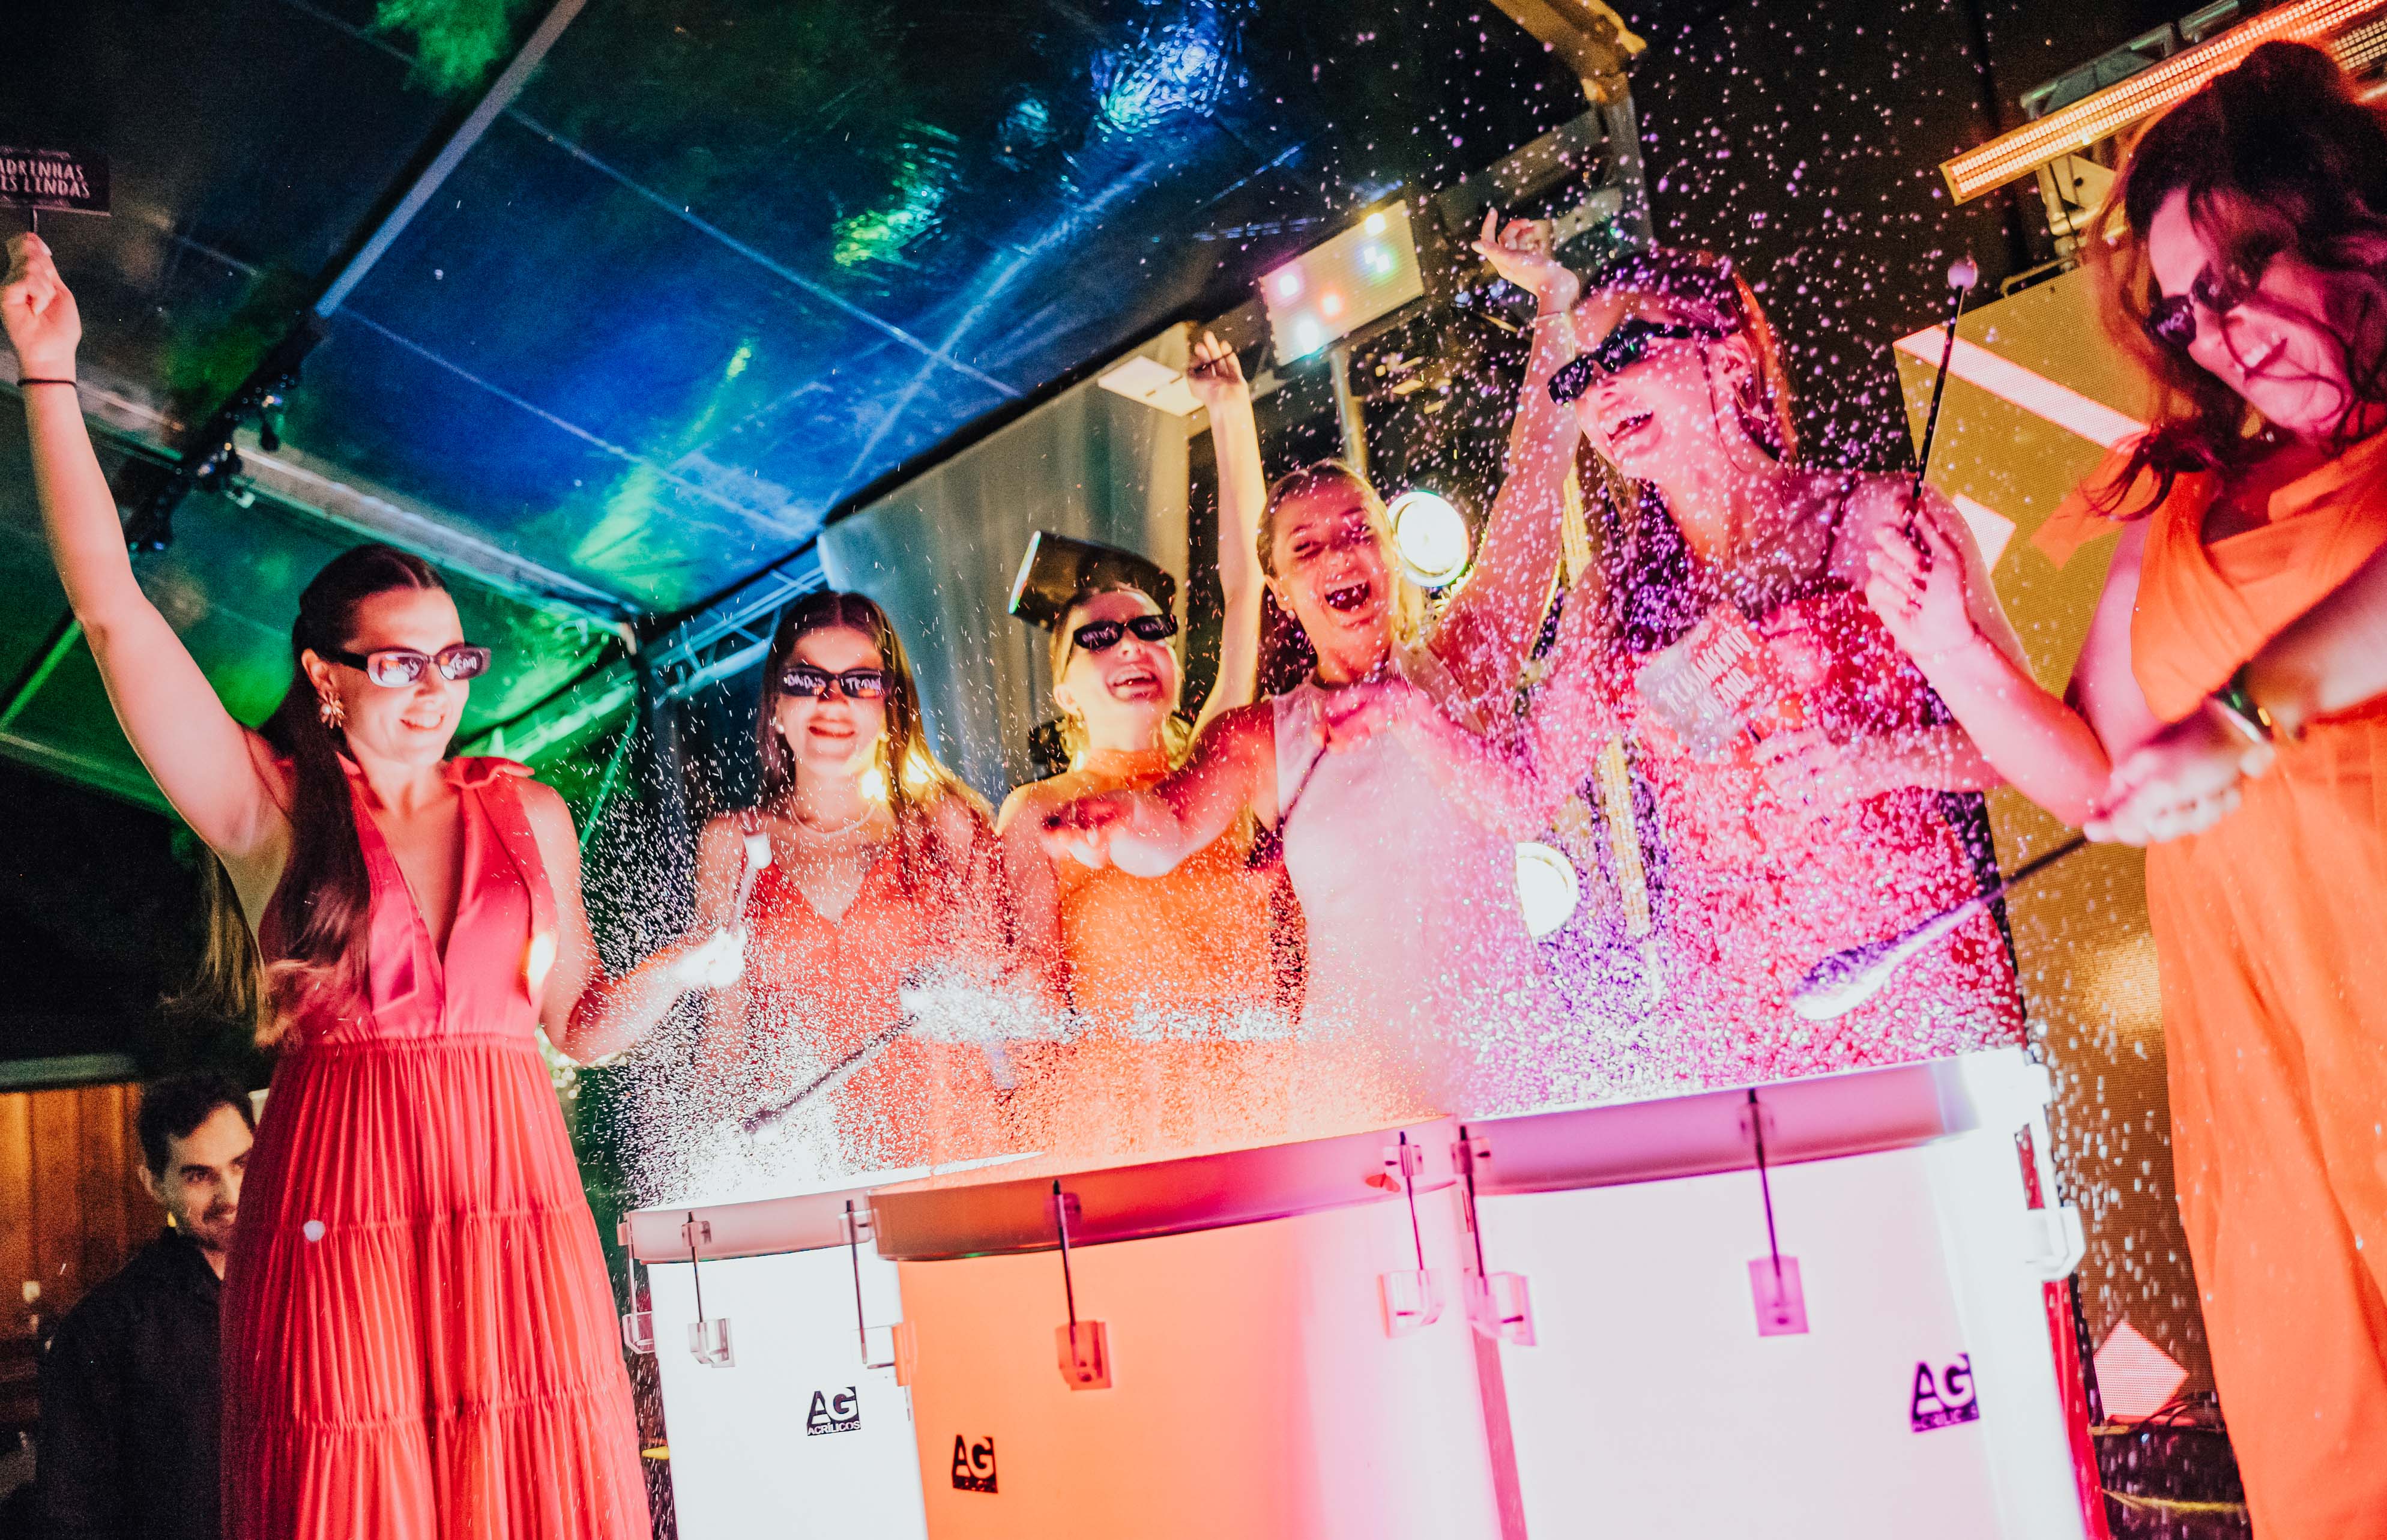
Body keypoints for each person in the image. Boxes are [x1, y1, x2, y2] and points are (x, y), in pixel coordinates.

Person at [3, 235, 647, 1539]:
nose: (436, 689)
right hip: (340, 1202)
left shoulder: (526, 811)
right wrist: (50, 376)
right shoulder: (271, 809)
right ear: (324, 676)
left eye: (452, 661)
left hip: (509, 1198)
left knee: (528, 1485)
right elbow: (116, 614)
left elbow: (580, 1023)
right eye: (398, 663)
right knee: (363, 1493)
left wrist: (682, 970)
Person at [1864, 43, 2387, 1538]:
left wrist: (2246, 713)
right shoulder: (2182, 495)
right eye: (2183, 309)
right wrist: (1949, 644)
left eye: (2241, 269)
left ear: (2352, 219)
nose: (2218, 335)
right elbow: (2099, 779)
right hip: (2269, 1071)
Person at [1040, 219, 1607, 1116]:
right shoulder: (1264, 737)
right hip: (1354, 1098)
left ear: (1389, 551)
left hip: (1511, 1068)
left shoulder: (1469, 659)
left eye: (1356, 531)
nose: (1338, 553)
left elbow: (1536, 478)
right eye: (1307, 546)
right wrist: (1113, 824)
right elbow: (1172, 830)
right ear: (1281, 587)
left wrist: (1553, 305)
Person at [1514, 237, 2026, 1087]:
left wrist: (1875, 760)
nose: (1600, 388)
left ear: (1728, 356)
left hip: (1902, 969)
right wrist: (1397, 705)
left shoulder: (1877, 517)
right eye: (1579, 374)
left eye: (1628, 348)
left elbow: (2017, 748)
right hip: (1736, 1008)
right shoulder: (1613, 593)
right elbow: (1523, 790)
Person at [579, 590, 1015, 1174]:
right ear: (776, 706)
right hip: (809, 1160)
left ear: (890, 705)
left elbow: (1004, 1008)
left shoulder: (944, 825)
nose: (834, 700)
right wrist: (711, 1164)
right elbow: (726, 1042)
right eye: (807, 680)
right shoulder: (733, 844)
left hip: (954, 1150)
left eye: (861, 681)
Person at [995, 333, 1297, 1153]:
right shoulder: (1041, 810)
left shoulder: (1217, 765)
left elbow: (1246, 591)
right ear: (1064, 692)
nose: (1130, 644)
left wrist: (1229, 413)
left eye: (1151, 629)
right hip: (1122, 1127)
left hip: (1258, 1109)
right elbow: (1036, 1003)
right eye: (1098, 638)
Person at [34, 1074, 253, 1540]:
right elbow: (71, 1515)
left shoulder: (305, 1295)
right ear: (154, 1184)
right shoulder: (103, 1329)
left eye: (242, 1164)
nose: (231, 1195)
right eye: (199, 1175)